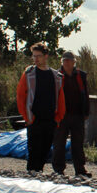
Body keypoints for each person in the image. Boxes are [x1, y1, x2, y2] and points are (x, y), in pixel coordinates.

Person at [15, 43, 65, 173]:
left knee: (44, 151)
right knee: (33, 152)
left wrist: (58, 118)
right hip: (34, 119)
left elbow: (61, 99)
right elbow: (21, 96)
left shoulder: (56, 76)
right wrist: (27, 117)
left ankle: (39, 175)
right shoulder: (29, 73)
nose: (36, 59)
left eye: (39, 56)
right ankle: (31, 177)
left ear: (46, 56)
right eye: (34, 56)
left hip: (50, 119)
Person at [52, 51, 91, 177]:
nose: (66, 62)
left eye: (69, 60)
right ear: (62, 62)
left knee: (78, 144)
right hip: (61, 115)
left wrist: (86, 112)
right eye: (64, 60)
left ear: (74, 62)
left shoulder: (81, 76)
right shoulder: (56, 76)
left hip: (77, 115)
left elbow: (86, 94)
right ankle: (58, 170)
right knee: (59, 143)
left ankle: (80, 169)